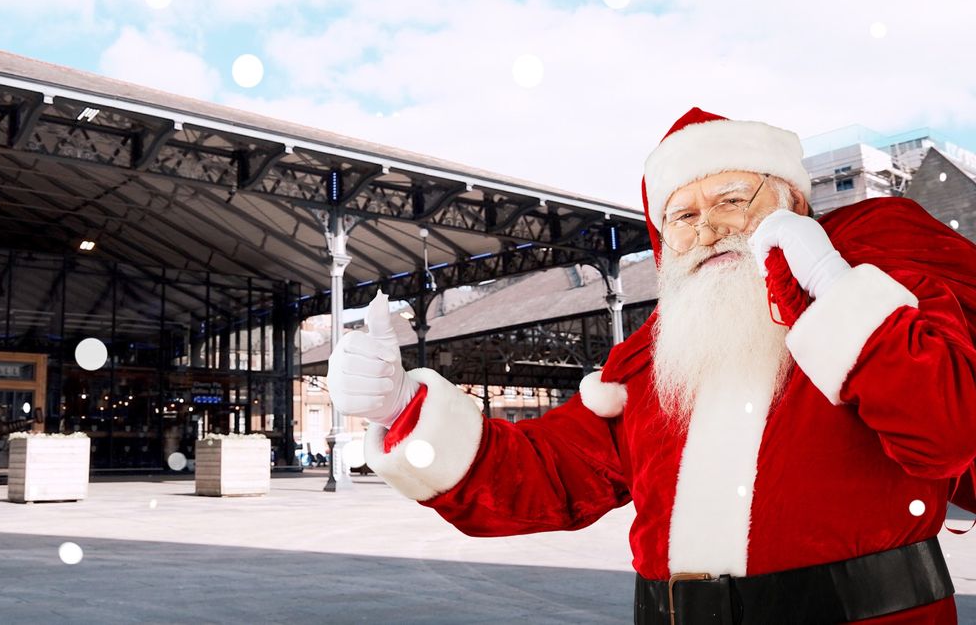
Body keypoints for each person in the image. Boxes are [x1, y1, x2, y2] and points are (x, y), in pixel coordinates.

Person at [327, 107, 976, 624]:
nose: (709, 228)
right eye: (683, 217)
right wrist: (400, 405)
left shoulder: (883, 300)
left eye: (732, 199)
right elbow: (543, 475)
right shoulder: (645, 374)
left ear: (796, 207)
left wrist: (833, 287)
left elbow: (947, 428)